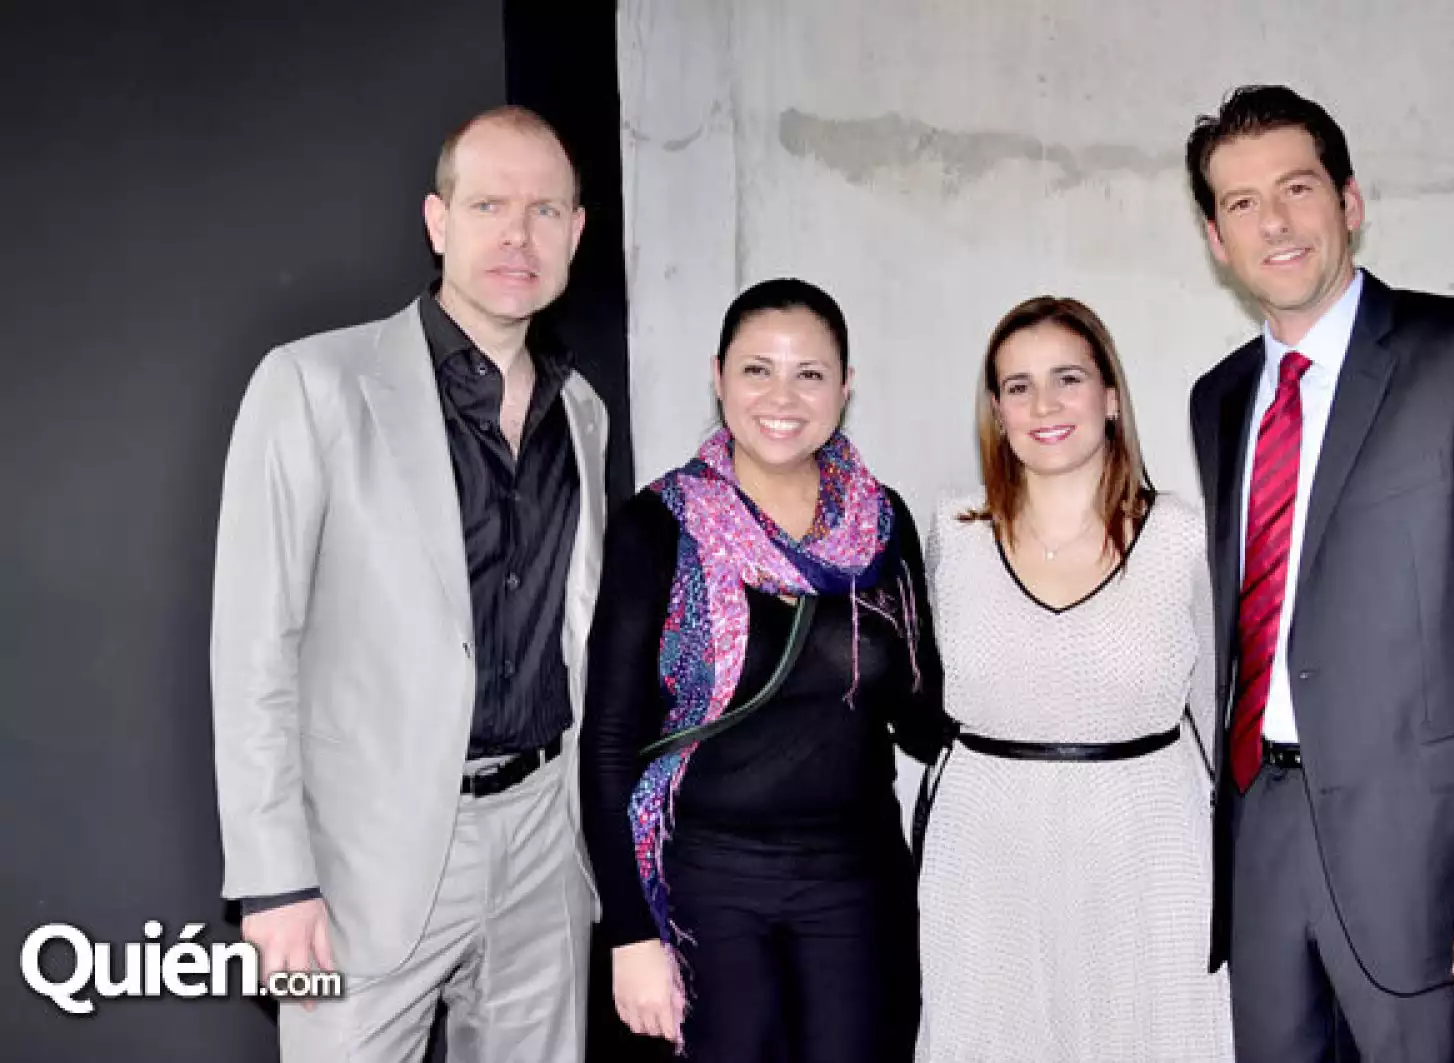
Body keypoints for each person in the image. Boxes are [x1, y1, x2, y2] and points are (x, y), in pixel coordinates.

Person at [1185, 84, 1454, 1062]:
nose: (1273, 222)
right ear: (1214, 239)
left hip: (1428, 856)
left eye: (1295, 188)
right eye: (1241, 204)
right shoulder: (1220, 398)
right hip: (1263, 836)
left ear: (1349, 202)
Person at [210, 105, 607, 1062]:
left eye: (545, 210)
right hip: (361, 862)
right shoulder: (312, 385)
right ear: (438, 223)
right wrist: (273, 881)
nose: (518, 234)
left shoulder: (581, 413)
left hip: (545, 842)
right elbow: (254, 646)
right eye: (489, 205)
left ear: (576, 233)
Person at [579, 278, 947, 1062]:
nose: (783, 395)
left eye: (810, 373)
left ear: (845, 387)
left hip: (858, 881)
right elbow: (610, 741)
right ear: (717, 377)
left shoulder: (883, 525)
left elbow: (924, 713)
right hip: (708, 884)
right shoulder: (659, 525)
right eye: (757, 370)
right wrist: (630, 933)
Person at [914, 296, 1232, 1061]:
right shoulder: (951, 534)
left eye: (1067, 378)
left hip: (1149, 848)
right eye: (1017, 386)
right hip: (984, 852)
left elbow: (1221, 717)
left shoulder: (1186, 535)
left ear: (1111, 397)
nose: (1044, 404)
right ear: (996, 409)